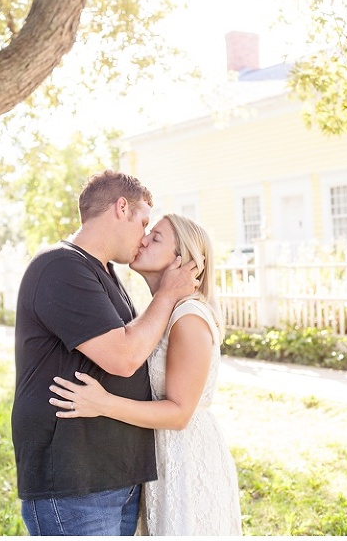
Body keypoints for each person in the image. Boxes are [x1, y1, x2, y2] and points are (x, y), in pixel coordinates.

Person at [11, 170, 200, 536]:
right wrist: (167, 295)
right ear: (121, 207)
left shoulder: (104, 272)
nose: (144, 237)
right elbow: (124, 357)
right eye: (143, 222)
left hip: (115, 478)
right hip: (74, 484)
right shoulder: (60, 266)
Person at [49, 213, 243, 535]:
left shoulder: (189, 317)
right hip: (161, 456)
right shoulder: (161, 312)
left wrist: (103, 403)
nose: (143, 239)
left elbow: (180, 413)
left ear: (182, 260)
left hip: (187, 458)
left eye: (156, 238)